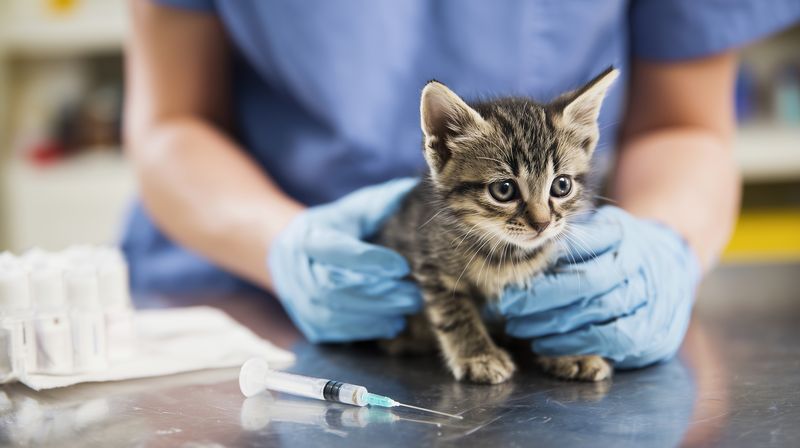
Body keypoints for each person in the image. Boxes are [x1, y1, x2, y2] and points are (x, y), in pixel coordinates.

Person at [123, 1, 800, 368]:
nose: (540, 217)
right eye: (519, 200)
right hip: (232, 296)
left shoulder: (547, 208)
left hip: (547, 291)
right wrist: (283, 246)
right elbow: (171, 120)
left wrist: (664, 252)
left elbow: (684, 124)